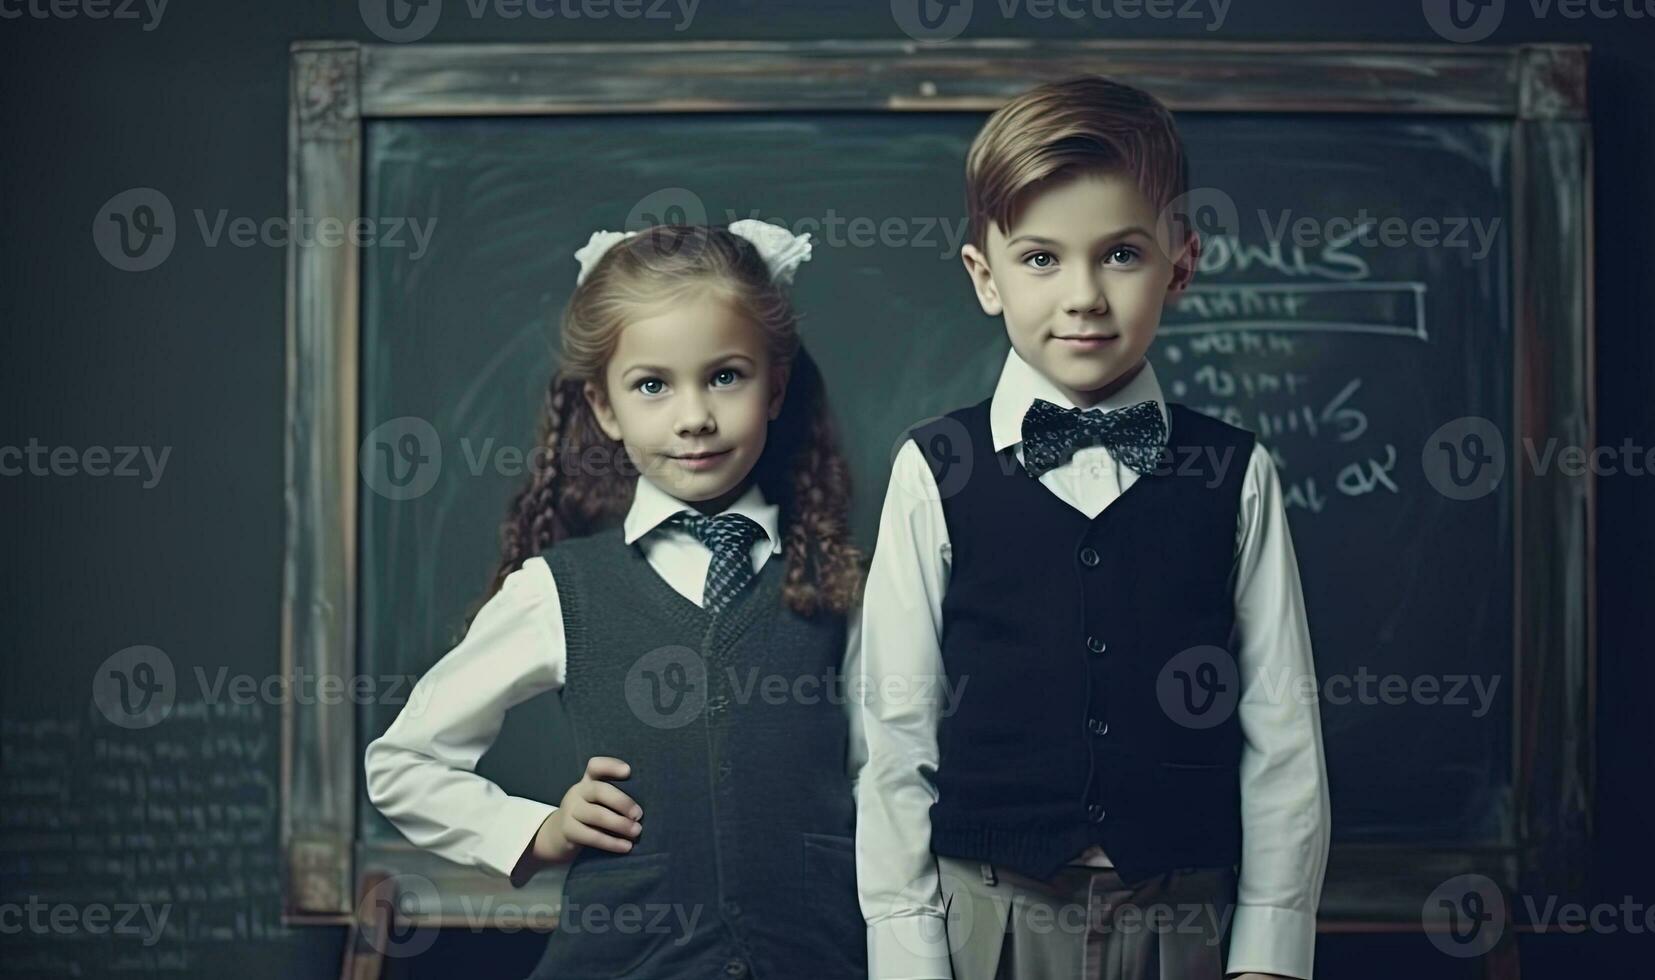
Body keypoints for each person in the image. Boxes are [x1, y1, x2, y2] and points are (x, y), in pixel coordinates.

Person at [854, 76, 1331, 980]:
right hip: (981, 913)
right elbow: (895, 732)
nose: (1082, 296)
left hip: (1182, 911)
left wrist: (1269, 949)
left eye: (1119, 255)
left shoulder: (1237, 472)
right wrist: (908, 954)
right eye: (1040, 259)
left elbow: (1282, 726)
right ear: (983, 278)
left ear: (1179, 266)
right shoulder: (933, 468)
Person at [366, 219, 869, 979]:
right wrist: (537, 830)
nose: (693, 415)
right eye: (652, 385)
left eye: (725, 376)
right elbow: (402, 765)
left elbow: (885, 779)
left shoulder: (839, 586)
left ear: (777, 386)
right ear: (604, 407)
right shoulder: (558, 592)